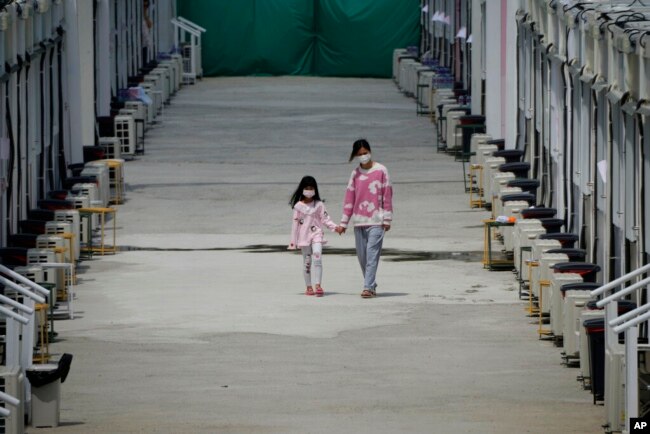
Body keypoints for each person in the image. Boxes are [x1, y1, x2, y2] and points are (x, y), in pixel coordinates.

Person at [338, 139, 393, 298]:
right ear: (356, 155)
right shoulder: (355, 174)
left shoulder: (381, 170)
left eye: (365, 153)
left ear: (370, 151)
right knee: (362, 257)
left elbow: (387, 195)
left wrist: (387, 219)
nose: (363, 156)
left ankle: (367, 287)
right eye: (360, 154)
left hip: (376, 220)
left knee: (371, 255)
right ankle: (371, 284)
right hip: (359, 221)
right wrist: (343, 223)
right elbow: (349, 199)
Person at [288, 176, 339, 297]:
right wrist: (293, 242)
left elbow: (326, 219)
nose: (309, 190)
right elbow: (295, 225)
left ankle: (318, 285)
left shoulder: (319, 204)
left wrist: (335, 227)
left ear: (315, 189)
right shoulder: (298, 206)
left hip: (317, 234)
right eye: (307, 188)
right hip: (303, 236)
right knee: (307, 262)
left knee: (317, 256)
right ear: (302, 189)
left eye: (311, 188)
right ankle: (309, 286)